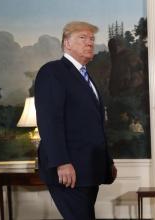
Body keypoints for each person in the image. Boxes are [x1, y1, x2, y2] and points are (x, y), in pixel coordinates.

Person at [34, 21, 117, 220]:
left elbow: (95, 124)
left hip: (89, 170)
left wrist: (108, 162)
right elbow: (49, 121)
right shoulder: (52, 72)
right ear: (67, 44)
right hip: (69, 171)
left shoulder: (88, 77)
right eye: (83, 38)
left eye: (92, 39)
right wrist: (62, 162)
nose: (90, 43)